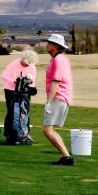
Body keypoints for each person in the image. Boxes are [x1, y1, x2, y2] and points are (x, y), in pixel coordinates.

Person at [42, 34, 75, 166]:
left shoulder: (59, 60)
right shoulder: (58, 59)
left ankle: (67, 157)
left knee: (47, 130)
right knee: (48, 129)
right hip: (60, 97)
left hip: (58, 97)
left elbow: (56, 81)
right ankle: (66, 157)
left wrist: (49, 101)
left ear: (56, 46)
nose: (47, 45)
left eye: (49, 43)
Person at [1, 49, 39, 144]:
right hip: (10, 90)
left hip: (24, 92)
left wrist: (30, 87)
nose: (27, 65)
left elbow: (32, 80)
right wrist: (14, 81)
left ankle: (24, 134)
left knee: (25, 112)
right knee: (11, 112)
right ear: (22, 59)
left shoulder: (32, 67)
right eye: (26, 63)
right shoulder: (14, 64)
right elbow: (4, 75)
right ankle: (10, 135)